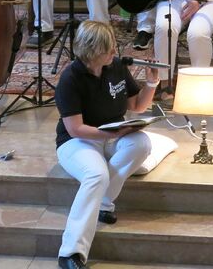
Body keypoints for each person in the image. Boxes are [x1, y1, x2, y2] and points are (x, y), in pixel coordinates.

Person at [55, 21, 156, 269]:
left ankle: (103, 202)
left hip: (110, 135)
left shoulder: (116, 67)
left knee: (141, 144)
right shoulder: (70, 78)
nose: (114, 51)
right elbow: (75, 128)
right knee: (96, 174)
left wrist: (151, 84)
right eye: (107, 48)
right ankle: (70, 252)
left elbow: (137, 106)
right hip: (77, 141)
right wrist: (111, 134)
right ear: (91, 51)